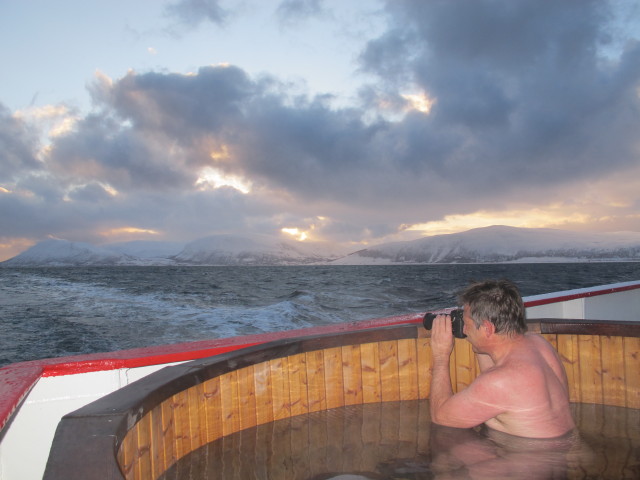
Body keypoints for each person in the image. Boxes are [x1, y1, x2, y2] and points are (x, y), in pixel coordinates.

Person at [429, 279, 575, 438]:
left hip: (531, 459)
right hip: (566, 449)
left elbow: (440, 416)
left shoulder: (499, 381)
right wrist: (479, 341)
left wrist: (441, 356)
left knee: (449, 451)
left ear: (487, 328)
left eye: (466, 323)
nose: (464, 330)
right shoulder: (539, 345)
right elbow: (496, 380)